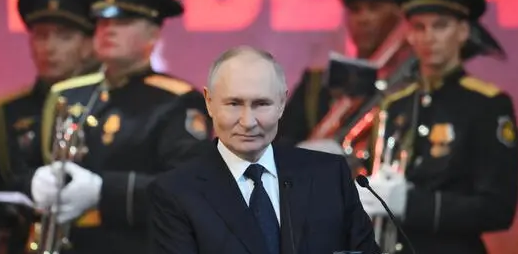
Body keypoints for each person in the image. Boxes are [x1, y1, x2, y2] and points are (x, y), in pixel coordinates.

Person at [25, 0, 211, 254]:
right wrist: (36, 182)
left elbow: (188, 190)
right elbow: (21, 170)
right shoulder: (68, 95)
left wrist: (103, 191)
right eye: (102, 21)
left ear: (153, 34)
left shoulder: (176, 101)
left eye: (123, 22)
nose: (108, 30)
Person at [148, 46, 380, 254]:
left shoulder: (329, 174)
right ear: (209, 102)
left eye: (261, 104)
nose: (248, 121)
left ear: (281, 103)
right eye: (233, 104)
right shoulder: (175, 192)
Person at [357, 0, 518, 254]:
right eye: (419, 27)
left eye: (440, 25)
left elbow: (498, 209)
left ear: (463, 31)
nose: (428, 37)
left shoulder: (487, 104)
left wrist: (413, 204)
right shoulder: (394, 105)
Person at [0, 0, 96, 254]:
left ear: (90, 43)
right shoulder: (5, 111)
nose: (49, 47)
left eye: (64, 35)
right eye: (41, 35)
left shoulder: (111, 105)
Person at [278, 0, 417, 173]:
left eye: (374, 7)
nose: (363, 18)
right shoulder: (316, 85)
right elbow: (281, 143)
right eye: (355, 9)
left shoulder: (415, 84)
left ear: (399, 14)